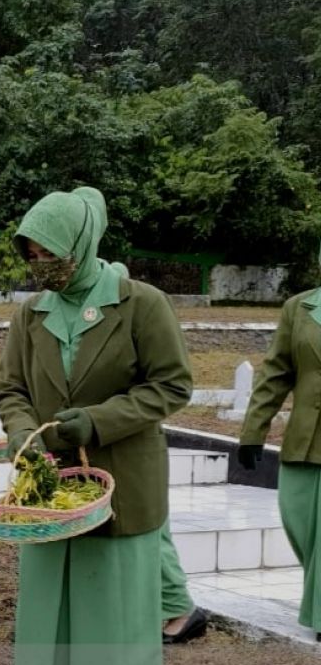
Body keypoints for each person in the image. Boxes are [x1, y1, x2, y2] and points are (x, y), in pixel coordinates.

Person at [0, 187, 192, 665]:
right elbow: (10, 388)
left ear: (81, 243)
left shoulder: (140, 304)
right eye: (31, 254)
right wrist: (19, 432)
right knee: (44, 624)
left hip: (122, 488)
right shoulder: (30, 313)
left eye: (49, 252)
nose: (40, 266)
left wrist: (100, 420)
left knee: (113, 629)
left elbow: (172, 385)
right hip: (48, 495)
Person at [103, 260, 206, 644]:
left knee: (152, 532)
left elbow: (170, 384)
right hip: (114, 438)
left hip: (132, 439)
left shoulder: (141, 305)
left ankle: (180, 607)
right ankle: (174, 605)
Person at [238, 241, 321, 642]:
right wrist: (254, 429)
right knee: (298, 519)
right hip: (305, 440)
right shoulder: (300, 307)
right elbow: (276, 372)